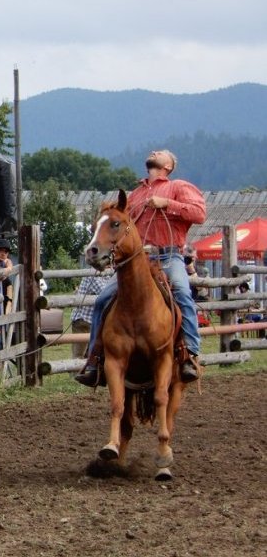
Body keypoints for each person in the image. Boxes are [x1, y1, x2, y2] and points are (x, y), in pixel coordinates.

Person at [76, 149, 207, 386]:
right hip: (137, 261)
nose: (154, 152)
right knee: (103, 298)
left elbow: (199, 213)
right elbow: (118, 228)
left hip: (169, 256)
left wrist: (167, 203)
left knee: (181, 290)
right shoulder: (135, 195)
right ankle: (94, 360)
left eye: (160, 153)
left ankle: (189, 355)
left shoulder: (178, 186)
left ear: (168, 166)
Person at [69, 274, 112, 358]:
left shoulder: (107, 274)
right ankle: (75, 370)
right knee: (79, 354)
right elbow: (105, 292)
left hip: (93, 321)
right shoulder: (92, 275)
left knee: (92, 353)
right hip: (83, 320)